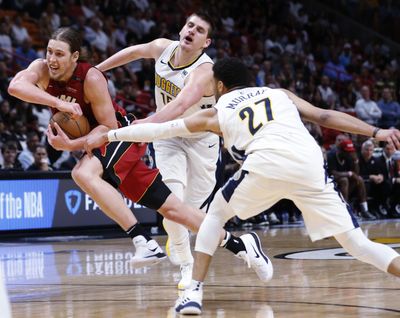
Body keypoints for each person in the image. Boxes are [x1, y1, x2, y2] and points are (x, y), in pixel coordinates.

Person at [87, 58, 400, 315]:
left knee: (212, 218)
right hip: (309, 165)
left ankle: (193, 291)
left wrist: (110, 136)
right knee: (358, 245)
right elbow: (325, 115)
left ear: (220, 86)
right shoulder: (281, 94)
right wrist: (376, 131)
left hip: (265, 164)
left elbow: (159, 130)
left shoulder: (217, 111)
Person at [8, 28, 269, 280]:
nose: (52, 59)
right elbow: (15, 86)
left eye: (59, 54)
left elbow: (107, 130)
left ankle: (142, 239)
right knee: (174, 210)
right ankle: (241, 245)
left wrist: (71, 146)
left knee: (82, 173)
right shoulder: (42, 68)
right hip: (104, 148)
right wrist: (58, 103)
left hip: (123, 136)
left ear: (75, 57)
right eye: (50, 52)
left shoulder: (91, 78)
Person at [96, 11, 221, 288]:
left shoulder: (204, 71)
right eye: (189, 25)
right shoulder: (162, 48)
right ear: (182, 28)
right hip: (169, 136)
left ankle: (178, 240)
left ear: (206, 42)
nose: (191, 31)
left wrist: (143, 124)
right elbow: (131, 53)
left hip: (202, 141)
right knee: (172, 203)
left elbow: (178, 107)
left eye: (199, 30)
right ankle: (187, 266)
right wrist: (97, 70)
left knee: (191, 212)